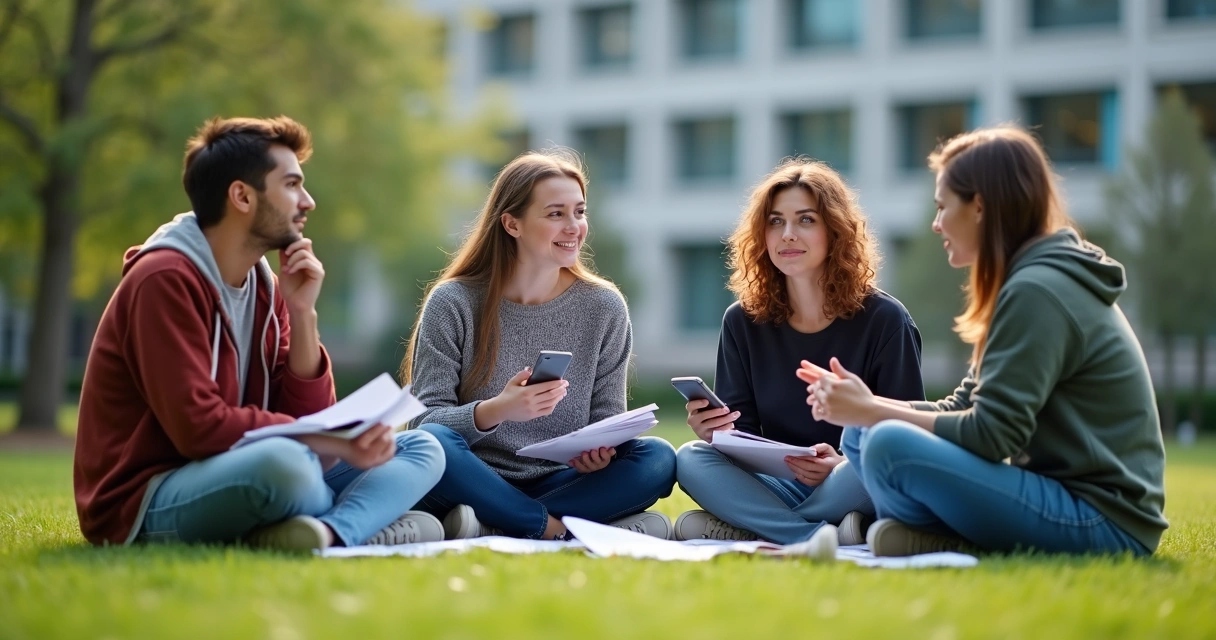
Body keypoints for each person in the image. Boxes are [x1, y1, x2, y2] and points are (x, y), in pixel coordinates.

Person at [73, 116, 446, 551]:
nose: (306, 201)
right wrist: (326, 440)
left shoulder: (265, 286)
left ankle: (329, 532)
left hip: (239, 467)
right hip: (147, 496)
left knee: (423, 447)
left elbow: (309, 412)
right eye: (291, 185)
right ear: (242, 196)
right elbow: (198, 427)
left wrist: (302, 312)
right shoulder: (164, 278)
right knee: (287, 467)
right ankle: (367, 521)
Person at [801, 126, 1168, 557]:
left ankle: (929, 534)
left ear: (979, 207)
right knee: (864, 434)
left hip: (1104, 520)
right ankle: (932, 536)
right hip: (1062, 498)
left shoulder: (1038, 290)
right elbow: (963, 408)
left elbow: (993, 434)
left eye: (942, 207)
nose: (936, 223)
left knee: (885, 441)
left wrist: (873, 409)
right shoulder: (1024, 281)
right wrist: (866, 408)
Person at [403, 148, 677, 541]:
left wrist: (600, 454)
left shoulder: (603, 306)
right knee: (433, 443)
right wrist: (498, 409)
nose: (574, 227)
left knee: (658, 459)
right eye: (555, 214)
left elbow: (608, 418)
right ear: (512, 224)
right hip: (470, 476)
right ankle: (550, 526)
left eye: (579, 212)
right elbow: (424, 425)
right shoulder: (454, 301)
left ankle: (494, 522)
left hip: (560, 481)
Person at [674, 159, 925, 553]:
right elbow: (742, 437)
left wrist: (842, 462)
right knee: (691, 458)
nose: (787, 234)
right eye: (775, 222)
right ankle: (811, 536)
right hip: (776, 481)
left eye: (805, 220)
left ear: (835, 232)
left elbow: (905, 436)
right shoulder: (741, 321)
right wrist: (714, 433)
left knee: (877, 458)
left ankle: (757, 525)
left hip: (851, 479)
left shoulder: (885, 320)